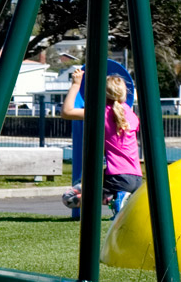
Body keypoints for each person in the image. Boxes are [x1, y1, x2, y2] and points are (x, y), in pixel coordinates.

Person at [59, 67, 142, 212]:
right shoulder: (131, 115)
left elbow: (67, 112)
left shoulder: (100, 113)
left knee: (68, 198)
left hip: (117, 177)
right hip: (136, 177)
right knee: (86, 187)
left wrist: (76, 84)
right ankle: (117, 198)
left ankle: (114, 198)